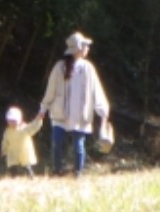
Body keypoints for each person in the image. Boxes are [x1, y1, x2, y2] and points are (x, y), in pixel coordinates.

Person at [37, 31, 109, 176]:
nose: (87, 48)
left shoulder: (88, 68)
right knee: (57, 144)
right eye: (85, 46)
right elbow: (51, 90)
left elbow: (96, 90)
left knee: (79, 146)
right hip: (60, 113)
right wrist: (43, 108)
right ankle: (57, 170)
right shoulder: (59, 67)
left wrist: (102, 110)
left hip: (80, 114)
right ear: (78, 49)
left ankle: (78, 172)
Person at [0, 106, 42, 176]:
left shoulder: (24, 128)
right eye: (10, 121)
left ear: (19, 120)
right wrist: (4, 149)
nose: (12, 123)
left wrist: (38, 119)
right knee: (12, 165)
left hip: (24, 151)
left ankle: (30, 176)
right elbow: (5, 141)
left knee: (27, 165)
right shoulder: (7, 131)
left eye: (14, 121)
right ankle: (13, 177)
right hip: (12, 151)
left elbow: (33, 126)